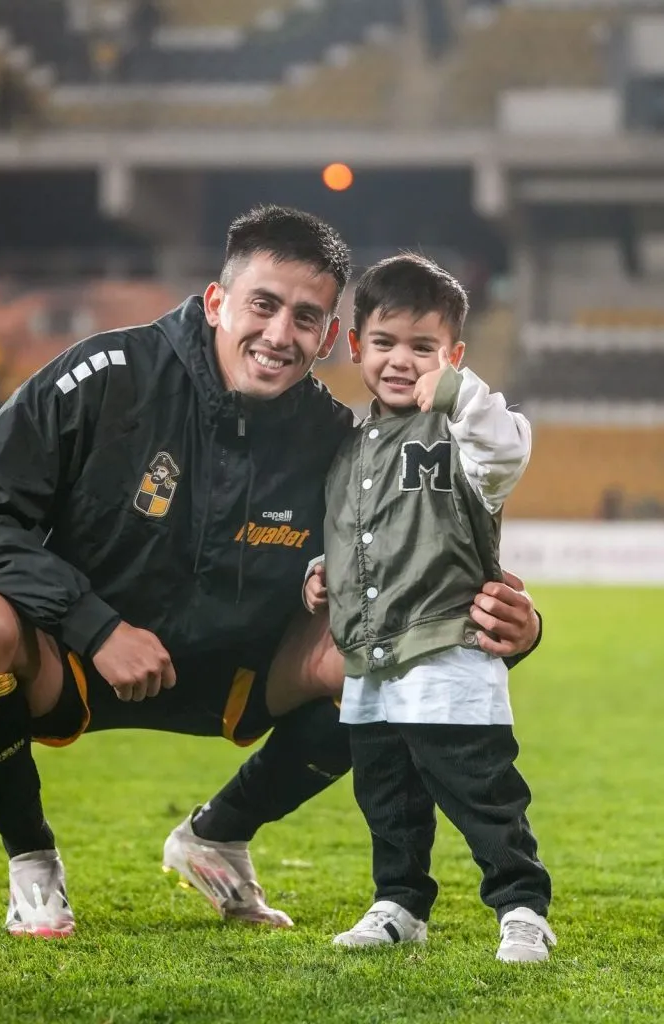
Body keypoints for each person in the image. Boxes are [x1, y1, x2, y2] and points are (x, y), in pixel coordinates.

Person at [0, 206, 541, 939]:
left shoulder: (335, 437)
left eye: (305, 317)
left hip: (239, 678)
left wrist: (520, 628)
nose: (279, 335)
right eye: (263, 304)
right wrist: (96, 624)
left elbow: (428, 554)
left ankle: (219, 833)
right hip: (78, 660)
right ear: (217, 302)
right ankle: (31, 860)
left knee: (375, 658)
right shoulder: (107, 376)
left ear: (330, 337)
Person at [303, 254, 554, 962]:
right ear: (356, 347)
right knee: (387, 798)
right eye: (383, 342)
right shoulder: (349, 447)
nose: (401, 360)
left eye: (423, 347)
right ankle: (399, 903)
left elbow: (506, 448)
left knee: (480, 792)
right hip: (370, 657)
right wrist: (321, 574)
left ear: (454, 355)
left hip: (448, 652)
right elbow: (360, 530)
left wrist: (457, 392)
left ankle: (521, 904)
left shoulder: (467, 437)